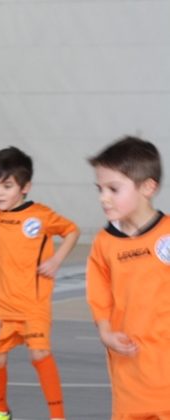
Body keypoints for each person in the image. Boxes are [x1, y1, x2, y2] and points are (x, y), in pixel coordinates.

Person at [0, 146, 79, 420]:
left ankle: (57, 416)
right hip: (0, 307)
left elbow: (72, 230)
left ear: (25, 187)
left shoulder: (40, 215)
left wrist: (57, 259)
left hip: (32, 306)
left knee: (39, 353)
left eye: (7, 186)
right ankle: (0, 411)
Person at [86, 136, 170, 419]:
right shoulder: (104, 243)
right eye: (100, 189)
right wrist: (105, 332)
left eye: (113, 189)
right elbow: (99, 295)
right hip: (130, 374)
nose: (103, 198)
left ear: (148, 187)